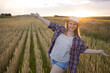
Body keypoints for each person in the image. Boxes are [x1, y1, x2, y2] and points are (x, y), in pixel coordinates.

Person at [31, 13, 109, 73]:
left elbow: (84, 50)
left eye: (74, 24)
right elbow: (50, 24)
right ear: (67, 24)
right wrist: (39, 17)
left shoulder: (77, 40)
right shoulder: (60, 29)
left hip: (62, 62)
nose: (72, 26)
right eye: (70, 23)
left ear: (77, 26)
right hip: (53, 58)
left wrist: (99, 51)